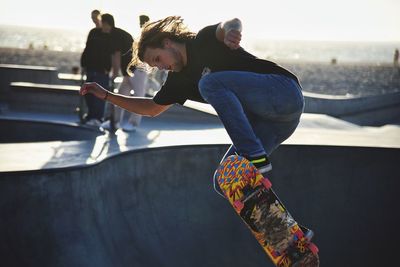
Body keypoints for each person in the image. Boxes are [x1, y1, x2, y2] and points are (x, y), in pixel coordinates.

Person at [80, 16, 304, 196]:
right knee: (226, 179)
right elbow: (151, 108)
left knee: (209, 83)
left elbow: (229, 23)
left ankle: (255, 157)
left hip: (283, 92)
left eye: (157, 59)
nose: (161, 67)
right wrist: (107, 96)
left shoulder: (204, 40)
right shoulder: (178, 81)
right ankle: (281, 228)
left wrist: (231, 32)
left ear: (167, 43)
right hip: (275, 124)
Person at [100, 13, 148, 132]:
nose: (101, 27)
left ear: (106, 23)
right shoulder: (116, 34)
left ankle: (133, 124)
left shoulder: (114, 35)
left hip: (138, 69)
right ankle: (115, 122)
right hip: (128, 72)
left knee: (139, 97)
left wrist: (114, 74)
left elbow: (116, 57)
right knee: (120, 97)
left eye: (102, 24)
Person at [80, 10, 113, 126]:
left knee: (100, 94)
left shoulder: (108, 33)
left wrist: (108, 67)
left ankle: (98, 118)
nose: (94, 20)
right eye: (92, 17)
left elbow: (111, 52)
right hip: (90, 67)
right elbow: (87, 48)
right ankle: (91, 116)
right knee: (88, 92)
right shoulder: (93, 32)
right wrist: (83, 64)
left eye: (96, 17)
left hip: (102, 70)